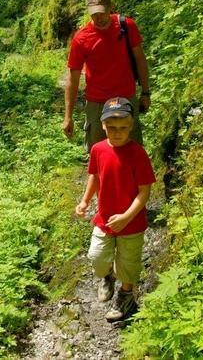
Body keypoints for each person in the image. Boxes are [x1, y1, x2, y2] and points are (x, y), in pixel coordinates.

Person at [75, 97, 156, 322]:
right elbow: (95, 176)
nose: (117, 132)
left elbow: (144, 192)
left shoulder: (138, 154)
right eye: (111, 127)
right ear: (103, 126)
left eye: (122, 127)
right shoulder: (98, 149)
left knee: (129, 263)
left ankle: (126, 296)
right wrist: (84, 201)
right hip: (104, 218)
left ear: (131, 126)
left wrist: (127, 217)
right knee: (96, 256)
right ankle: (107, 276)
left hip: (133, 222)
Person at [63, 0, 151, 152]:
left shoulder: (127, 26)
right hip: (97, 102)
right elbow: (73, 79)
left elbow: (140, 59)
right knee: (98, 154)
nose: (98, 18)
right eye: (94, 14)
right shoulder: (81, 38)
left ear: (111, 6)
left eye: (102, 13)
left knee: (132, 151)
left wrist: (145, 93)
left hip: (126, 97)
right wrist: (68, 117)